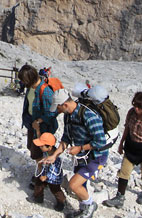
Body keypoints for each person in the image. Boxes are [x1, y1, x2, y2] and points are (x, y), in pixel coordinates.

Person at [42, 88, 108, 218]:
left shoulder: (89, 116)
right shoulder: (68, 115)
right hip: (82, 156)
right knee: (80, 185)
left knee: (73, 184)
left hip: (96, 157)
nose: (57, 111)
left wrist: (80, 148)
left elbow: (101, 142)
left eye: (58, 108)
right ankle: (83, 209)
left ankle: (90, 207)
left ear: (65, 104)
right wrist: (54, 156)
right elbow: (66, 138)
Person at [103, 91, 142, 209]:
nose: (136, 109)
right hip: (131, 148)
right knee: (124, 172)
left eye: (139, 107)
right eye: (135, 106)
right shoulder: (131, 113)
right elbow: (127, 127)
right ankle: (119, 197)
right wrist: (121, 143)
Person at [30, 132, 66, 211]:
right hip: (44, 173)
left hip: (53, 179)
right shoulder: (46, 152)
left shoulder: (56, 158)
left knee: (55, 190)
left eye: (42, 146)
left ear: (49, 147)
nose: (40, 147)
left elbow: (54, 170)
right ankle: (38, 197)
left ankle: (61, 202)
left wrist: (46, 177)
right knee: (38, 184)